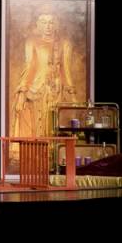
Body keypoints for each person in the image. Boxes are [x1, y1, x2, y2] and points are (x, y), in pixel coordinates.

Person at [11, 12, 77, 146]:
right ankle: (38, 154)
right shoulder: (32, 42)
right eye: (44, 22)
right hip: (37, 89)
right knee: (37, 126)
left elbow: (65, 69)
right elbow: (29, 66)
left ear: (56, 25)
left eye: (51, 22)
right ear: (38, 25)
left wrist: (72, 94)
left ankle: (52, 154)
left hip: (55, 89)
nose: (48, 26)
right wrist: (22, 92)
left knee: (53, 126)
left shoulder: (64, 44)